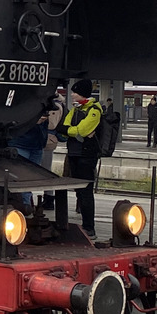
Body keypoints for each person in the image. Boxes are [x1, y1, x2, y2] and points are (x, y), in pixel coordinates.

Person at [59, 79, 102, 238]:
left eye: (75, 92)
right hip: (74, 153)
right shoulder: (75, 109)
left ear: (82, 93)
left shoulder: (94, 110)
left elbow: (82, 130)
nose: (71, 94)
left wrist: (71, 131)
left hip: (86, 155)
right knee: (78, 191)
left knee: (86, 192)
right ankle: (84, 225)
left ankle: (89, 227)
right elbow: (63, 128)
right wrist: (73, 131)